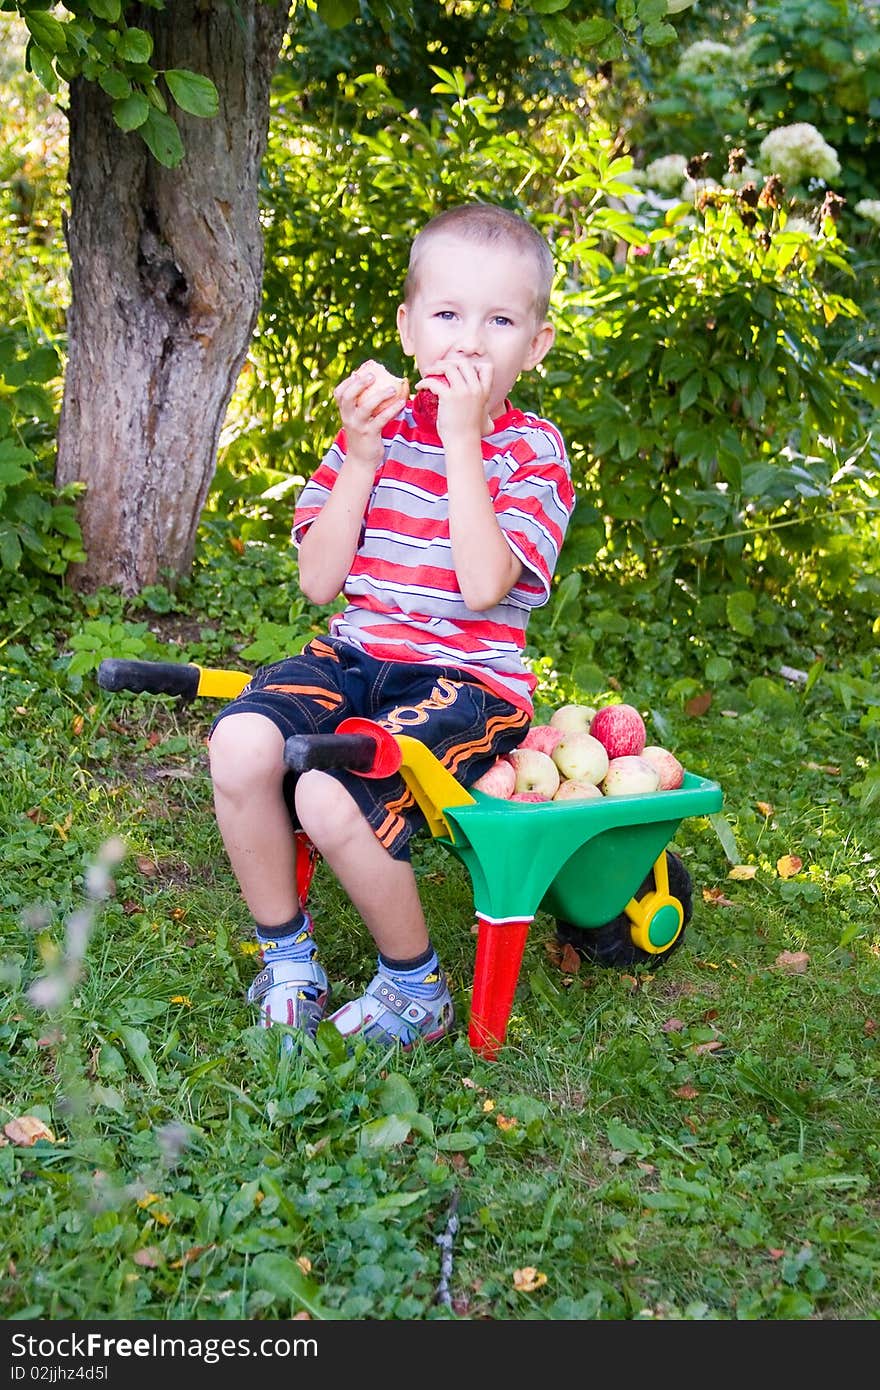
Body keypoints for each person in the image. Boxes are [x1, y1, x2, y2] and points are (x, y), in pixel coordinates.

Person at [208, 202, 574, 1049]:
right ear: (408, 327)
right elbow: (318, 581)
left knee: (329, 791)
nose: (469, 341)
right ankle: (288, 954)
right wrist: (364, 458)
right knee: (241, 747)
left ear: (536, 346)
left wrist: (456, 445)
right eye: (447, 314)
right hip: (356, 651)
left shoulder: (532, 453)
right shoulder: (374, 433)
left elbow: (486, 585)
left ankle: (415, 986)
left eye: (500, 320)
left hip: (465, 682)